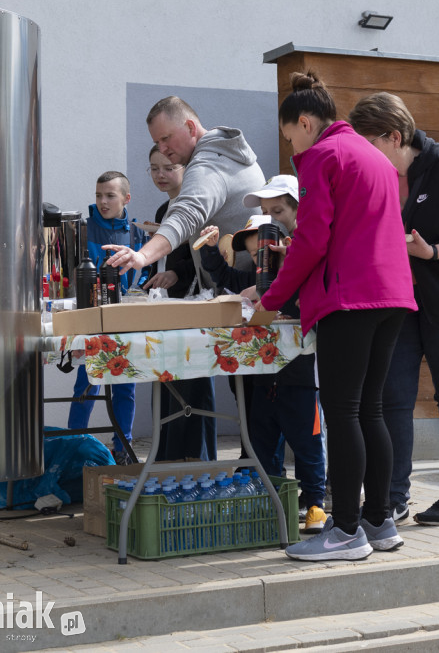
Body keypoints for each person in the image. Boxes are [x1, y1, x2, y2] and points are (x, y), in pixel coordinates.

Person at [256, 71, 416, 561]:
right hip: (392, 296)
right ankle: (378, 520)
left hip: (351, 298)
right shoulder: (376, 157)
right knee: (371, 410)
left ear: (305, 123)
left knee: (344, 411)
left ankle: (346, 530)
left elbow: (311, 240)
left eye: (290, 139)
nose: (291, 150)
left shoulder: (324, 155)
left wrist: (272, 300)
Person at [348, 92, 439, 525]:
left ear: (394, 137)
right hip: (400, 303)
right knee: (393, 399)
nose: (360, 154)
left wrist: (435, 252)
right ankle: (393, 496)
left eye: (366, 142)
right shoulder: (376, 176)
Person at [198, 206, 328, 533]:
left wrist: (276, 297)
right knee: (260, 443)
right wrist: (212, 249)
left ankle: (315, 504)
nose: (261, 261)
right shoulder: (256, 279)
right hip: (260, 381)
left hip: (299, 381)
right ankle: (274, 504)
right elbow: (225, 278)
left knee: (307, 443)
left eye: (267, 251)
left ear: (284, 243)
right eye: (256, 254)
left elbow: (310, 302)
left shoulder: (304, 275)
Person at [103, 96, 261, 279]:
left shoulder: (207, 165)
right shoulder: (228, 153)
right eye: (157, 143)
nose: (162, 149)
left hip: (241, 296)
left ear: (190, 128)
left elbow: (186, 216)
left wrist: (142, 255)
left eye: (166, 138)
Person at [67, 171, 149, 464]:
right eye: (98, 195)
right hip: (92, 318)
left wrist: (137, 291)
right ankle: (72, 445)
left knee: (126, 385)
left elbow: (147, 275)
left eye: (110, 196)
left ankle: (122, 447)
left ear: (127, 198)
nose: (103, 201)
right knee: (87, 385)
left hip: (126, 321)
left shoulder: (139, 234)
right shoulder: (83, 230)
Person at [142, 146, 218, 461]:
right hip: (166, 307)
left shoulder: (200, 208)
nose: (161, 175)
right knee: (167, 382)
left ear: (186, 170)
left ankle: (195, 461)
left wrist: (176, 272)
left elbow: (202, 258)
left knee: (193, 385)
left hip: (194, 307)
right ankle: (167, 457)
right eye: (154, 168)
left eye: (169, 168)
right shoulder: (163, 210)